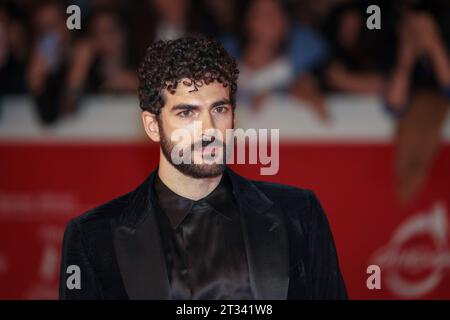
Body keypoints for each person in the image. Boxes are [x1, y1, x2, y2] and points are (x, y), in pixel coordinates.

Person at [59, 35, 347, 300]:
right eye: (187, 112)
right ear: (152, 126)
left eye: (219, 109)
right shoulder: (93, 238)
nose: (209, 129)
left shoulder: (298, 214)